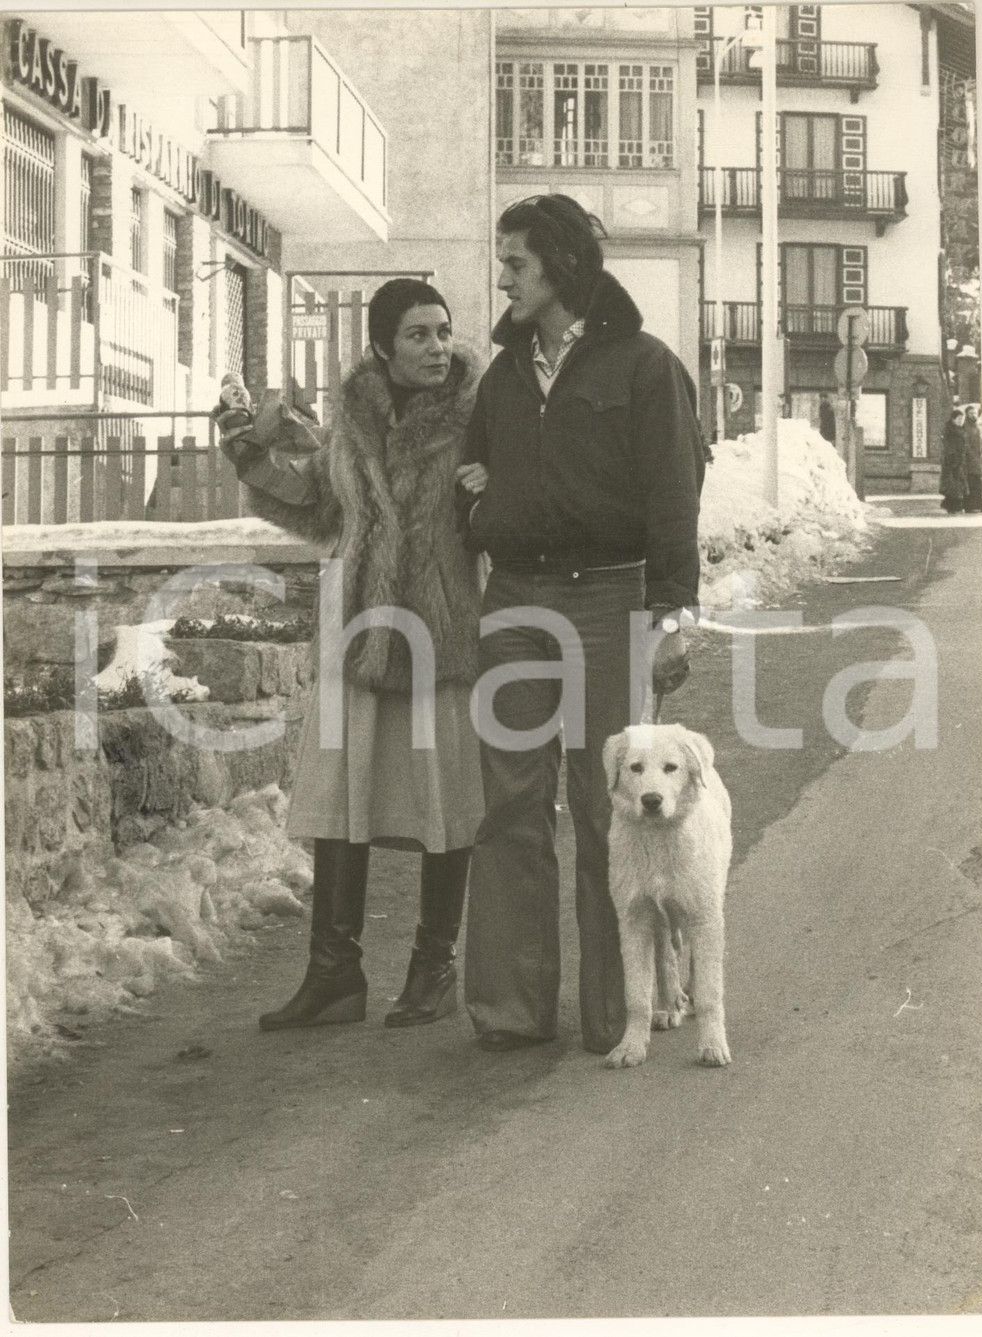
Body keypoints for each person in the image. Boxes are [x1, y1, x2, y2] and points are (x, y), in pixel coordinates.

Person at [456, 194, 704, 1055]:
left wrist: (672, 614)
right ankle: (512, 1009)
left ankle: (619, 1010)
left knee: (611, 806)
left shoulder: (644, 366)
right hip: (516, 602)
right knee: (511, 807)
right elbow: (470, 475)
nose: (503, 277)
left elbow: (675, 497)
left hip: (608, 598)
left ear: (560, 265)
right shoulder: (502, 375)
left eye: (516, 262)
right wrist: (482, 505)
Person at [218, 279, 485, 1032]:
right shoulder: (354, 419)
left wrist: (493, 487)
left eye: (442, 331)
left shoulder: (478, 417)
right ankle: (334, 974)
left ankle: (434, 964)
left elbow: (512, 504)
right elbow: (318, 507)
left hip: (440, 633)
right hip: (358, 629)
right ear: (380, 346)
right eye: (418, 335)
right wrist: (250, 451)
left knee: (444, 797)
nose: (437, 347)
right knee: (341, 794)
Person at [940, 406, 969, 514]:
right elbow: (949, 446)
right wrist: (954, 459)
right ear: (953, 419)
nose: (961, 421)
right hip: (951, 461)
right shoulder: (950, 430)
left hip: (959, 461)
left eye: (962, 419)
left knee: (957, 485)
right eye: (959, 419)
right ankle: (952, 507)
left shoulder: (959, 429)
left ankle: (953, 506)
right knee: (953, 485)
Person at [963, 404, 982, 513]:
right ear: (967, 414)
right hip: (970, 461)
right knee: (971, 482)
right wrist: (972, 457)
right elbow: (965, 445)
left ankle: (979, 505)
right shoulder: (965, 427)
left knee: (979, 483)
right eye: (971, 413)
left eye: (975, 413)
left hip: (979, 459)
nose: (973, 415)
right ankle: (970, 506)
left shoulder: (979, 426)